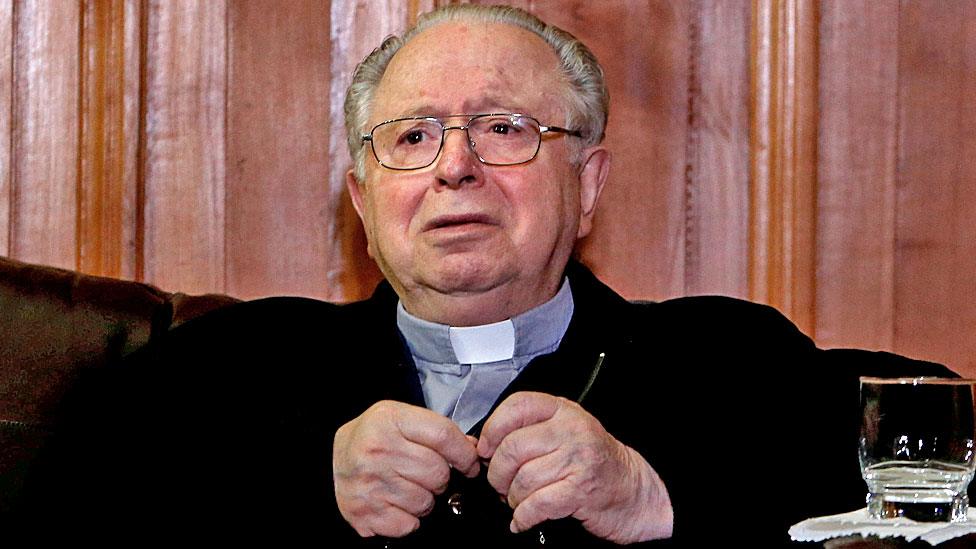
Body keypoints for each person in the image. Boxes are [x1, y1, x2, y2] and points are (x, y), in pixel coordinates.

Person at [21, 4, 958, 547]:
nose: (455, 168)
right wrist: (307, 488)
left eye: (506, 128)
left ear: (587, 182)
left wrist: (658, 497)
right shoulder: (225, 369)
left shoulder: (728, 358)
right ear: (363, 196)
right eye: (413, 136)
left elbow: (952, 456)